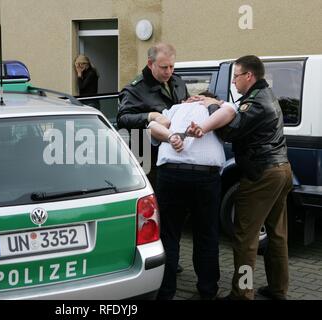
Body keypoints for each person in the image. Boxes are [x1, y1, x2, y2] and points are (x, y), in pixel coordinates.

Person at [203, 55, 292, 300]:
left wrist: (211, 107)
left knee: (245, 236)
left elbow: (231, 130)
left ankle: (242, 293)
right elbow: (240, 115)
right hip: (281, 170)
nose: (233, 81)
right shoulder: (266, 95)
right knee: (277, 234)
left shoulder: (256, 101)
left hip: (262, 174)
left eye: (236, 76)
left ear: (249, 76)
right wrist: (222, 104)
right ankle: (277, 289)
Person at [148, 93, 237, 300]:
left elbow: (152, 126)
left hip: (171, 173)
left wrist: (171, 137)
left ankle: (166, 291)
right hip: (205, 176)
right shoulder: (215, 109)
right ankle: (207, 290)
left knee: (169, 235)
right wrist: (210, 113)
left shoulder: (175, 109)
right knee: (206, 235)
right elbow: (231, 110)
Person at [117, 43, 189, 274]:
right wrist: (150, 115)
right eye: (164, 67)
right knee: (154, 215)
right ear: (150, 64)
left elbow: (182, 107)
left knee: (175, 214)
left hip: (176, 156)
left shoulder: (177, 82)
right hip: (150, 159)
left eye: (172, 66)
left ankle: (171, 257)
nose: (169, 71)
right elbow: (123, 118)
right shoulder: (135, 89)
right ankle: (154, 260)